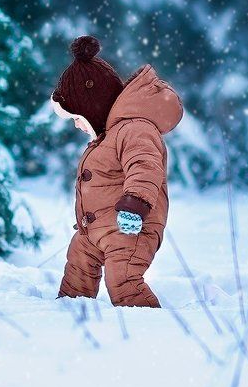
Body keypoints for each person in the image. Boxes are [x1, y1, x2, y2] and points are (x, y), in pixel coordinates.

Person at [50, 35, 183, 307]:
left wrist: (135, 203)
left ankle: (148, 327)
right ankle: (67, 313)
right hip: (95, 230)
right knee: (77, 268)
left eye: (77, 118)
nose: (76, 125)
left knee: (123, 280)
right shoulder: (109, 137)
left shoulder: (135, 129)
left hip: (129, 227)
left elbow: (145, 166)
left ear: (92, 107)